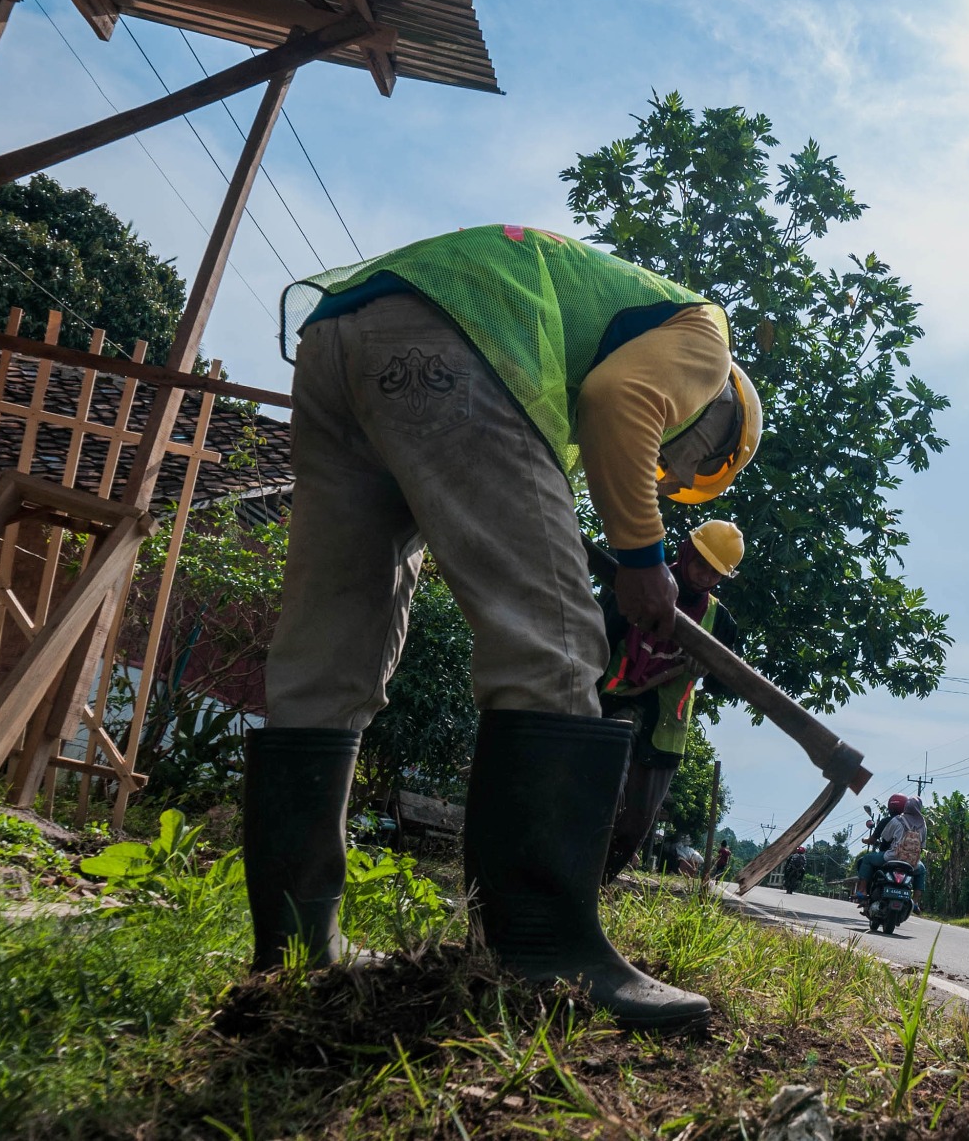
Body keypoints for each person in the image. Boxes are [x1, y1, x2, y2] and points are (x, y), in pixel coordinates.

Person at [249, 224, 762, 1030]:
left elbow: (602, 409)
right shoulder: (704, 336)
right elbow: (621, 403)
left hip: (340, 336)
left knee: (329, 652)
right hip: (456, 339)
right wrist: (641, 554)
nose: (665, 467)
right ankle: (544, 959)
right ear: (720, 424)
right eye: (678, 461)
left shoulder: (597, 325)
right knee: (557, 646)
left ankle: (294, 945)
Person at [598, 520, 744, 881]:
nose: (704, 576)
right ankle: (569, 878)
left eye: (715, 572)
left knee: (635, 822)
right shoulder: (639, 584)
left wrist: (708, 666)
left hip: (665, 729)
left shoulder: (719, 620)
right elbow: (596, 636)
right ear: (686, 553)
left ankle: (597, 883)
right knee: (598, 801)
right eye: (700, 564)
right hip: (612, 707)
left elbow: (730, 685)